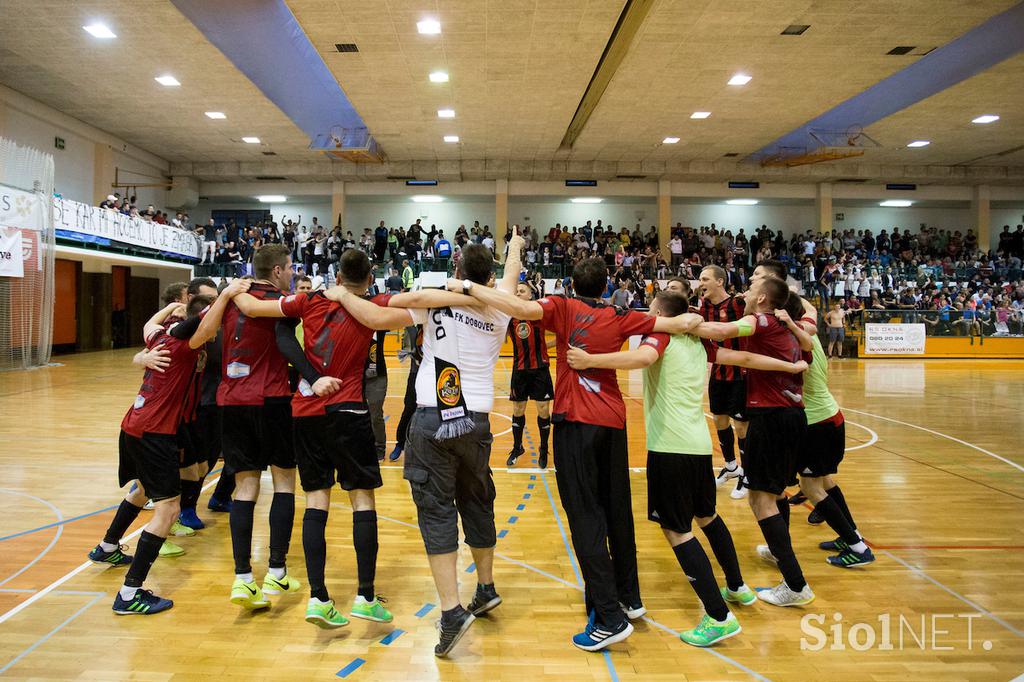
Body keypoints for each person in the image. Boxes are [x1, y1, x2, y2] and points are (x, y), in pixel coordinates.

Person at [454, 250, 700, 651]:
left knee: (585, 517)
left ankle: (608, 616)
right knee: (617, 511)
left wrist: (465, 285)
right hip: (613, 422)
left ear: (572, 284)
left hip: (576, 421)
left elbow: (516, 304)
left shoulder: (564, 306)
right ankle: (629, 597)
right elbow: (679, 321)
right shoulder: (622, 315)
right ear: (606, 286)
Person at [566, 290, 808, 646]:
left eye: (652, 309)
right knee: (707, 516)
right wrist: (790, 366)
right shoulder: (699, 342)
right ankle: (737, 587)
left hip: (671, 447)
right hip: (698, 444)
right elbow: (743, 356)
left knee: (677, 530)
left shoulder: (661, 333)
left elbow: (641, 358)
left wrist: (591, 361)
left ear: (663, 313)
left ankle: (717, 616)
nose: (648, 313)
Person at [233, 249, 445, 628]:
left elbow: (251, 308)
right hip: (347, 408)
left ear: (337, 274)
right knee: (362, 500)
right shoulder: (372, 304)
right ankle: (365, 596)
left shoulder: (308, 300)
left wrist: (231, 290)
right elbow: (420, 304)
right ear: (369, 276)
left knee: (317, 501)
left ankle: (318, 599)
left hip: (306, 408)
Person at [346, 236, 521, 657]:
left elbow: (374, 315)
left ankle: (451, 611)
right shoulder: (500, 305)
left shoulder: (433, 300)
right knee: (478, 502)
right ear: (489, 277)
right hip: (477, 420)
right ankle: (485, 587)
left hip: (432, 418)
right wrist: (514, 244)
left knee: (437, 511)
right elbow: (511, 278)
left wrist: (339, 293)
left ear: (458, 272)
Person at [88, 280, 248, 615]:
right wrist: (228, 295)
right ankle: (130, 595)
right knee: (168, 510)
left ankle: (106, 546)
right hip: (153, 433)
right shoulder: (182, 343)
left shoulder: (161, 336)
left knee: (145, 489)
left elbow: (149, 325)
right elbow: (204, 321)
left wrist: (166, 315)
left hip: (135, 425)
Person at [690, 277, 815, 607]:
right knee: (773, 494)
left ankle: (796, 583)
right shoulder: (789, 328)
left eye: (752, 285)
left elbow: (722, 333)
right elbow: (737, 357)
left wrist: (681, 322)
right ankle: (782, 561)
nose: (744, 291)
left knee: (761, 501)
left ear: (762, 298)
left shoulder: (760, 320)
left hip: (771, 418)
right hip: (791, 417)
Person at [219, 244, 302, 610]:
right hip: (271, 398)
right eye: (290, 268)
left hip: (232, 401)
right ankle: (277, 570)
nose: (293, 273)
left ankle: (242, 578)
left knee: (245, 486)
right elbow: (288, 345)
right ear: (278, 271)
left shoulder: (229, 299)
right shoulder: (280, 302)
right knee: (284, 482)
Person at [775, 297, 874, 568]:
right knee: (826, 482)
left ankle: (859, 549)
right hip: (829, 418)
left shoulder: (794, 343)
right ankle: (851, 534)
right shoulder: (805, 328)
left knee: (811, 487)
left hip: (817, 424)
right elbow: (810, 308)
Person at [698, 265, 750, 500]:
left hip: (742, 374)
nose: (700, 283)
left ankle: (747, 474)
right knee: (719, 420)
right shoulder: (704, 306)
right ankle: (731, 466)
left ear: (720, 281)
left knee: (741, 427)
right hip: (718, 373)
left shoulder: (739, 304)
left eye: (705, 278)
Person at [505, 281, 554, 468]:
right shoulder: (509, 317)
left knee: (543, 410)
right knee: (518, 410)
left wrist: (544, 348)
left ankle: (543, 449)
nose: (517, 293)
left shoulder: (539, 314)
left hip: (540, 369)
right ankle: (517, 447)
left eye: (522, 291)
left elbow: (560, 334)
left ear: (530, 295)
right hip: (519, 370)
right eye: (516, 290)